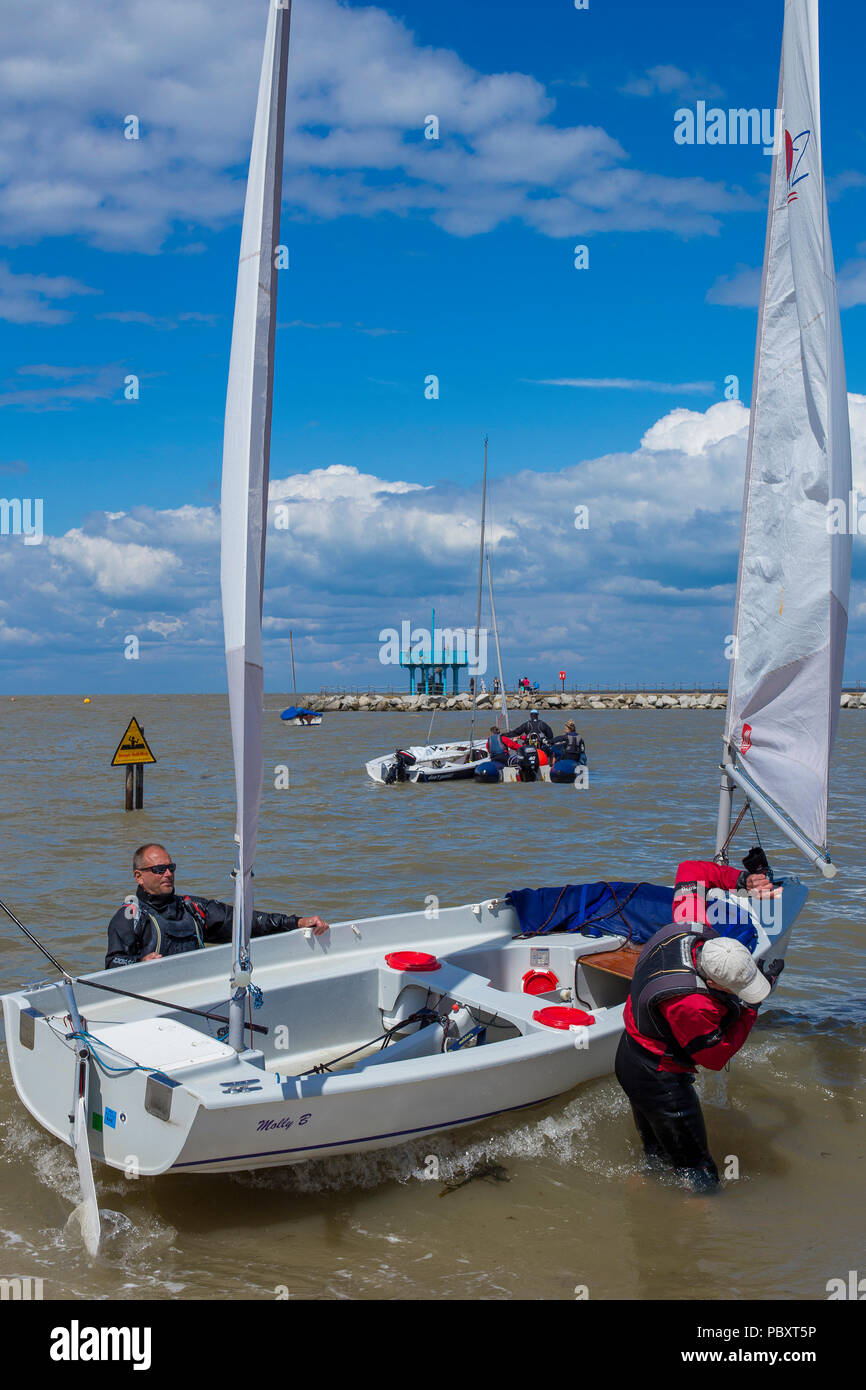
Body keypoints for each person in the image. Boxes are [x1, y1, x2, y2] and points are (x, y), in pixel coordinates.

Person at [615, 858, 782, 1191]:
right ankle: (701, 1231)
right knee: (699, 1172)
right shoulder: (692, 1003)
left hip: (630, 1055)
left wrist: (744, 880)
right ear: (716, 984)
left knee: (657, 1154)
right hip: (658, 1078)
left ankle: (644, 1196)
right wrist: (750, 1008)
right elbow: (714, 1058)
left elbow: (691, 870)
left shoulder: (690, 927)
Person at [106, 842, 329, 969]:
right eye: (159, 869)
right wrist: (140, 962)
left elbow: (247, 922)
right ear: (139, 876)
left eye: (171, 867)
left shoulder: (192, 908)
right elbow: (113, 963)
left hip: (197, 994)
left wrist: (298, 922)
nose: (168, 874)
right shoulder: (129, 917)